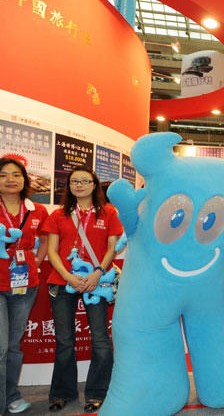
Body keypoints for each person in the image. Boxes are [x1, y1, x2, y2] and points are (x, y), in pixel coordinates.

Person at [44, 166, 122, 413]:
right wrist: (68, 276)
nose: (79, 185)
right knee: (64, 340)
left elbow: (112, 247)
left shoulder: (108, 213)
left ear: (94, 185)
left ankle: (97, 392)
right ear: (68, 186)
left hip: (95, 282)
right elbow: (52, 251)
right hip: (62, 281)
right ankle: (62, 393)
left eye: (85, 181)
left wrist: (97, 272)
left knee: (100, 339)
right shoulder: (58, 215)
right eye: (74, 181)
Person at [0, 158, 48, 414]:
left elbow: (45, 238)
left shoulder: (36, 209)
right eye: (3, 175)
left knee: (13, 346)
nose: (10, 179)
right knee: (0, 347)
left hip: (24, 284)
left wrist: (36, 260)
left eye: (16, 174)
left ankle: (10, 396)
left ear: (24, 179)